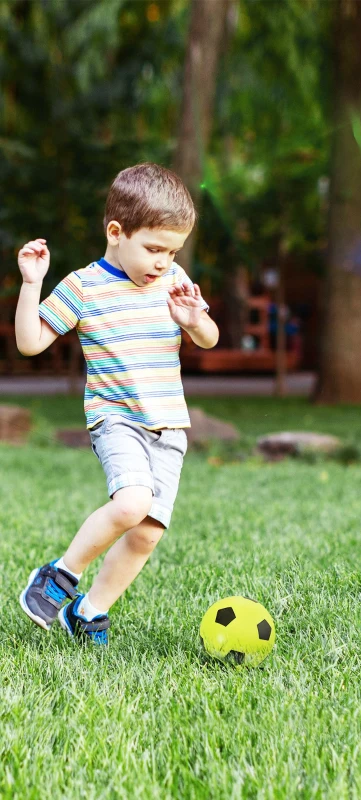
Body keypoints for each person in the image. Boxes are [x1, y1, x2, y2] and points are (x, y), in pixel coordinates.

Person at [15, 163, 219, 645]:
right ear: (116, 232)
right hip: (116, 420)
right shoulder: (84, 286)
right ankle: (58, 576)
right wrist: (30, 283)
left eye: (172, 251)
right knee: (131, 503)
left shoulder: (174, 281)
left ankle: (88, 612)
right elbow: (29, 342)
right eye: (153, 249)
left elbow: (208, 339)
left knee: (147, 532)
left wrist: (193, 320)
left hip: (169, 428)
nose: (163, 262)